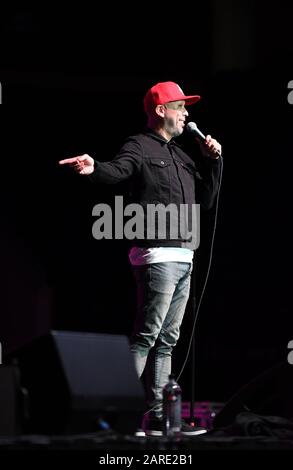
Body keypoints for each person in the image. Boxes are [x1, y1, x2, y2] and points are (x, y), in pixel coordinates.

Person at [59, 81, 222, 436]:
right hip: (157, 255)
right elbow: (118, 170)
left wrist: (211, 163)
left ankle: (158, 417)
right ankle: (117, 414)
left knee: (168, 339)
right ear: (161, 110)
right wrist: (94, 167)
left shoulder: (183, 155)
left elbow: (205, 203)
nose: (186, 114)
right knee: (147, 335)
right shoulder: (140, 145)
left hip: (184, 255)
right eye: (180, 107)